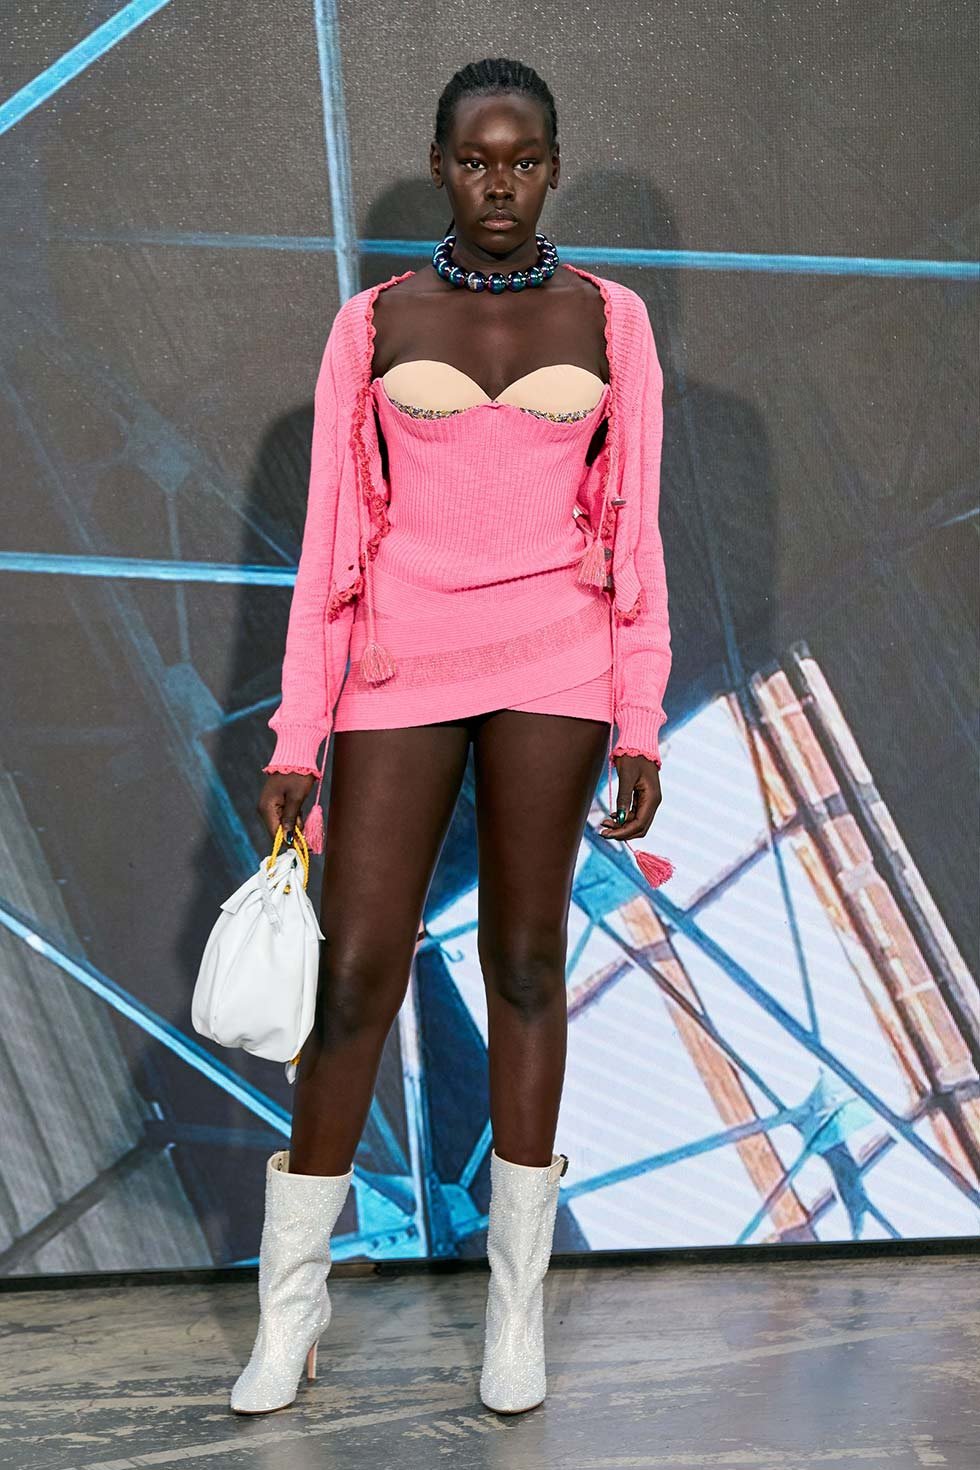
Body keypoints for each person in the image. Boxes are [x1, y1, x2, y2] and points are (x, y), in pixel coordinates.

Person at [229, 57, 672, 1419]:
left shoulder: (613, 319)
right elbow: (329, 539)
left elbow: (637, 532)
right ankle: (290, 1313)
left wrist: (642, 716)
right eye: (476, 161)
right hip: (397, 659)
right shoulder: (373, 323)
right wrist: (297, 733)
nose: (499, 184)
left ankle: (515, 1314)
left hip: (557, 657)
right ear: (440, 167)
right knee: (357, 975)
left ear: (553, 167)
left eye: (523, 161)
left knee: (526, 963)